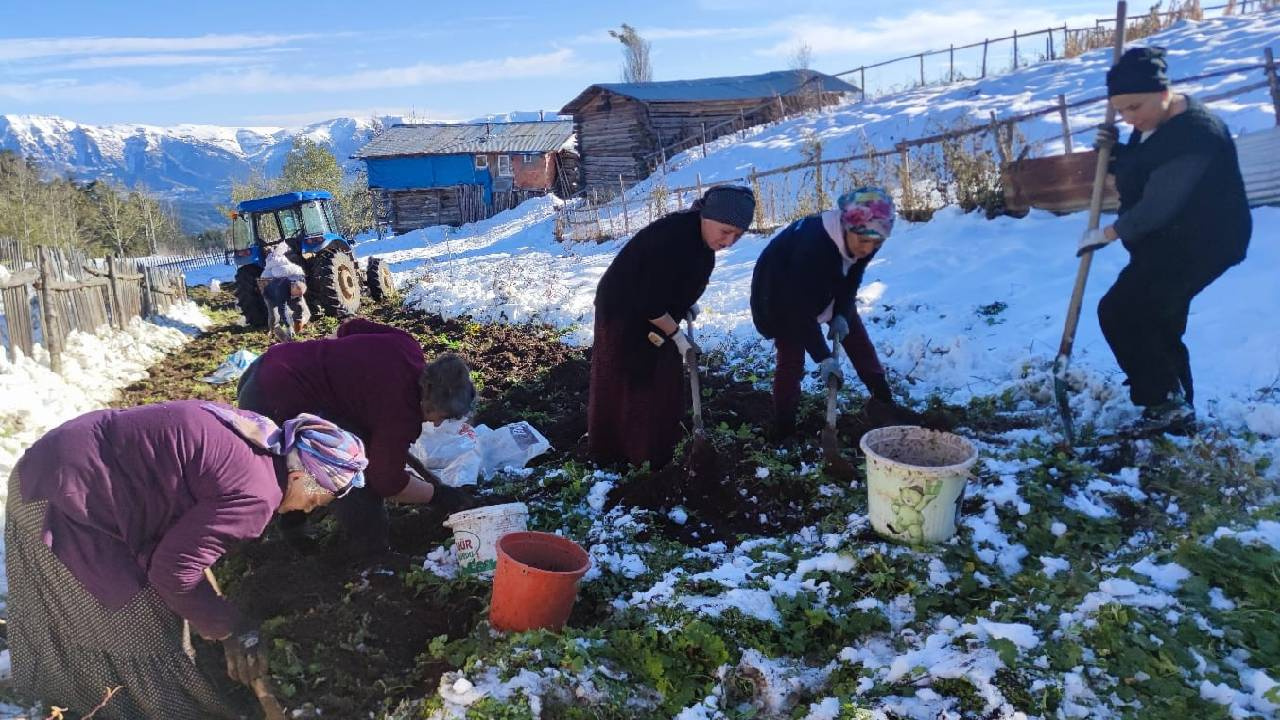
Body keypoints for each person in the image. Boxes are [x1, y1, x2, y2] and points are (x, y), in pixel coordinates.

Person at [5, 400, 367, 719]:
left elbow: (185, 532)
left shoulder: (261, 440)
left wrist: (213, 615)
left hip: (62, 462)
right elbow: (173, 571)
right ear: (302, 475)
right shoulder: (257, 496)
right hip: (67, 497)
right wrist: (230, 627)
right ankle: (90, 702)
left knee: (161, 610)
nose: (314, 507)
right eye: (320, 498)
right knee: (141, 627)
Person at [1082, 47, 1251, 434]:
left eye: (1134, 107)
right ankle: (1176, 409)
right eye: (1120, 111)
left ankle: (1162, 401)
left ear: (1163, 93)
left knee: (1121, 311)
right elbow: (1142, 168)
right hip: (1168, 239)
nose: (1129, 118)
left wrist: (1105, 234)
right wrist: (1114, 150)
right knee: (1157, 318)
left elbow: (1160, 203)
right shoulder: (1151, 125)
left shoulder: (1196, 133)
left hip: (1202, 242)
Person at [237, 317, 478, 559]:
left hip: (270, 364)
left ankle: (292, 522)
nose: (436, 423)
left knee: (339, 451)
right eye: (439, 416)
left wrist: (340, 376)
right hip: (274, 400)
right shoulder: (401, 414)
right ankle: (370, 553)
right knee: (346, 473)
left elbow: (349, 328)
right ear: (428, 401)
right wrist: (438, 495)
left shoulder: (406, 347)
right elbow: (387, 483)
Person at [588, 185, 756, 468]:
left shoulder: (702, 241)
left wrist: (684, 303)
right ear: (708, 215)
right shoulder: (674, 237)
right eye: (725, 231)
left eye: (737, 236)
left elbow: (677, 281)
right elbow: (648, 299)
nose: (729, 241)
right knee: (629, 376)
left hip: (655, 312)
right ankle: (616, 453)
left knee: (663, 376)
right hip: (623, 309)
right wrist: (677, 336)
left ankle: (660, 445)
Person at [751, 187, 917, 438]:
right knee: (791, 358)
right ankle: (783, 426)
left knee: (857, 337)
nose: (868, 248)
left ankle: (884, 401)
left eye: (877, 243)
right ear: (846, 227)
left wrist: (842, 312)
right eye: (863, 241)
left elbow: (853, 276)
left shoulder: (868, 235)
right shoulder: (813, 247)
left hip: (821, 287)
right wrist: (823, 358)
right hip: (779, 296)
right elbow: (798, 309)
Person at [258, 242, 309, 342]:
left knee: (299, 305)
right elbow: (283, 310)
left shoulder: (298, 279)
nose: (296, 296)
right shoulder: (281, 290)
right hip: (269, 292)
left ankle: (298, 325)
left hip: (279, 284)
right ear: (292, 289)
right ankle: (273, 331)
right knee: (274, 315)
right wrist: (288, 326)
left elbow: (299, 292)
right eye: (295, 294)